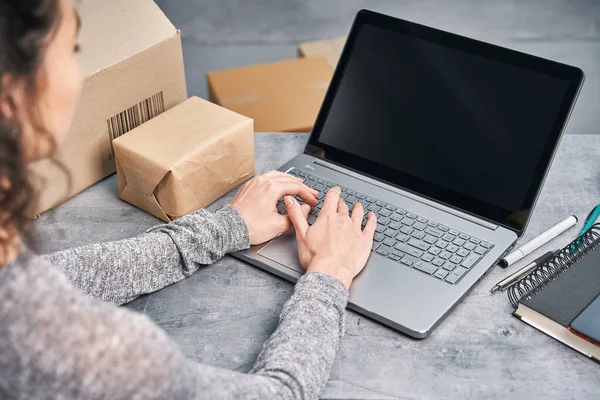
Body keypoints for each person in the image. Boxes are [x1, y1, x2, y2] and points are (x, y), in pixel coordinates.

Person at [0, 0, 377, 399]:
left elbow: (51, 281)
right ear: (12, 94)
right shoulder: (94, 359)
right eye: (72, 51)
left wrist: (223, 228)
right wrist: (330, 273)